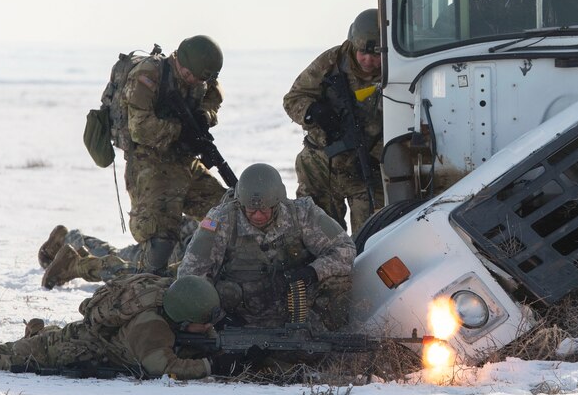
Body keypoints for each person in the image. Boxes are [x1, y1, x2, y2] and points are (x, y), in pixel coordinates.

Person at [0, 276, 221, 380]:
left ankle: (39, 335)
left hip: (84, 341)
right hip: (67, 350)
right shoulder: (152, 326)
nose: (205, 326)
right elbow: (163, 367)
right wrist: (209, 366)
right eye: (201, 320)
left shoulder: (165, 306)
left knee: (45, 341)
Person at [178, 163, 355, 332]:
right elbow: (191, 275)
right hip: (240, 316)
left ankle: (328, 336)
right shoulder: (220, 220)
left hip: (298, 312)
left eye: (264, 209)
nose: (258, 215)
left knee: (339, 281)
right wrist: (219, 319)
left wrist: (312, 272)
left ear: (277, 202)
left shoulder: (302, 213)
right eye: (251, 210)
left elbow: (345, 250)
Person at [119, 35, 228, 274]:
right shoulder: (148, 75)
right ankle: (85, 265)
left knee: (227, 215)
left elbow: (213, 99)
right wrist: (180, 132)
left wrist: (205, 117)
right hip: (149, 163)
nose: (193, 81)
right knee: (159, 243)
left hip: (184, 162)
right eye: (190, 75)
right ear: (178, 60)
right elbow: (140, 129)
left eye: (200, 79)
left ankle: (191, 274)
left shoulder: (203, 80)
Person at [283, 9, 384, 234]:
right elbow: (293, 99)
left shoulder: (395, 71)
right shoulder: (332, 61)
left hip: (366, 168)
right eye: (362, 53)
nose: (368, 61)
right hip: (321, 166)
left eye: (376, 54)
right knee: (318, 239)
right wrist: (314, 112)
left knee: (372, 241)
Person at [36, 217, 200, 289]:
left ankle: (71, 243)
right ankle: (74, 263)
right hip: (186, 256)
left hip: (180, 241)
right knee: (144, 277)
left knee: (125, 259)